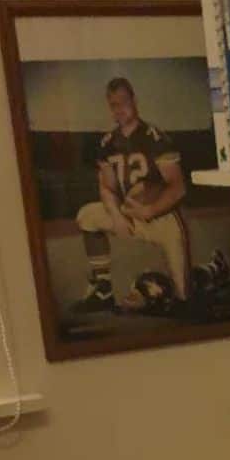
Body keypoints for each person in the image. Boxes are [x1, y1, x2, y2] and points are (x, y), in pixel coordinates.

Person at [75, 77, 189, 309]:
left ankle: (209, 272)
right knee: (87, 215)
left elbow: (178, 188)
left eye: (124, 102)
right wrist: (116, 216)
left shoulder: (155, 137)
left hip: (161, 217)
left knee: (183, 298)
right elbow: (107, 187)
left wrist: (150, 209)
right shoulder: (107, 142)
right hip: (128, 214)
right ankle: (103, 288)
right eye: (114, 105)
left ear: (134, 100)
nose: (119, 109)